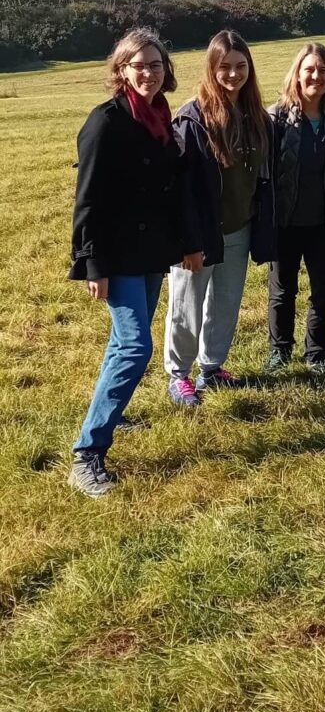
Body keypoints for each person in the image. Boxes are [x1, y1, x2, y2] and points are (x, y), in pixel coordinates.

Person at [68, 29, 201, 497]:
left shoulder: (161, 116)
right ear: (121, 70)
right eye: (137, 65)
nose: (147, 72)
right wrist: (91, 264)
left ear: (166, 70)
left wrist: (186, 241)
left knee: (122, 344)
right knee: (134, 348)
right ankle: (88, 454)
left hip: (151, 253)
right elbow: (88, 201)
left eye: (155, 64)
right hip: (117, 254)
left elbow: (169, 189)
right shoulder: (105, 122)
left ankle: (114, 414)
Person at [164, 30, 274, 404]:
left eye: (240, 66)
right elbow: (180, 188)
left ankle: (211, 368)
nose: (233, 74)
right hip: (198, 233)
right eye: (224, 67)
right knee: (186, 305)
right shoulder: (191, 118)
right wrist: (187, 241)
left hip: (239, 227)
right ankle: (179, 375)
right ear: (211, 68)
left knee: (226, 302)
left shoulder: (257, 115)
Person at [267, 43, 325, 370]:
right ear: (297, 73)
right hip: (285, 220)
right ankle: (279, 351)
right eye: (310, 69)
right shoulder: (276, 117)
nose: (316, 76)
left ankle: (317, 354)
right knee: (282, 291)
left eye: (323, 70)